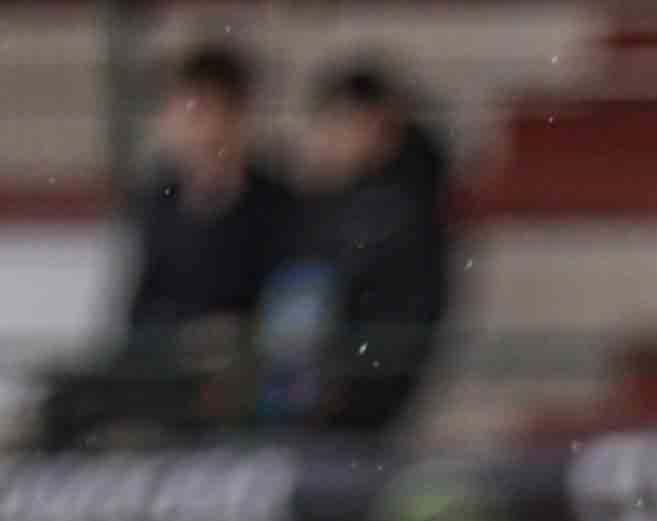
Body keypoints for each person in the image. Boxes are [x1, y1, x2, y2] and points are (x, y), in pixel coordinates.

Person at [43, 41, 285, 446]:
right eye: (186, 112)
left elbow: (289, 303)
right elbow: (139, 307)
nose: (195, 129)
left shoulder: (274, 203)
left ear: (237, 116)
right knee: (65, 399)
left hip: (239, 374)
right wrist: (178, 338)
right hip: (166, 364)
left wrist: (238, 336)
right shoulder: (159, 203)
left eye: (206, 112)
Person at [262, 59, 458, 439]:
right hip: (326, 395)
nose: (329, 138)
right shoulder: (322, 207)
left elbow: (400, 310)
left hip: (362, 393)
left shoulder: (403, 210)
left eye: (341, 123)